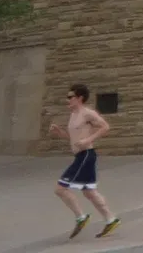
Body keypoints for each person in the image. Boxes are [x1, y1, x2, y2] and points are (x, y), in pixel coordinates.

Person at [49, 84, 120, 239]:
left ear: (80, 98)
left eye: (70, 97)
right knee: (89, 192)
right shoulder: (73, 114)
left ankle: (81, 217)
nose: (67, 100)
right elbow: (73, 138)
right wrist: (60, 133)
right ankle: (111, 219)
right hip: (80, 155)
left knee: (60, 189)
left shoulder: (87, 113)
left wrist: (88, 139)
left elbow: (105, 127)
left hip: (86, 155)